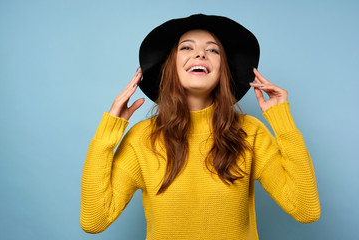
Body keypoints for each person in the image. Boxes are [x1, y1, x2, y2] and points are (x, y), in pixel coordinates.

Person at [80, 14, 320, 239]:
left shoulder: (250, 132)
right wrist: (108, 131)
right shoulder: (141, 138)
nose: (200, 54)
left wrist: (282, 120)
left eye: (212, 50)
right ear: (170, 65)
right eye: (186, 47)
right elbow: (95, 221)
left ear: (222, 69)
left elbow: (305, 210)